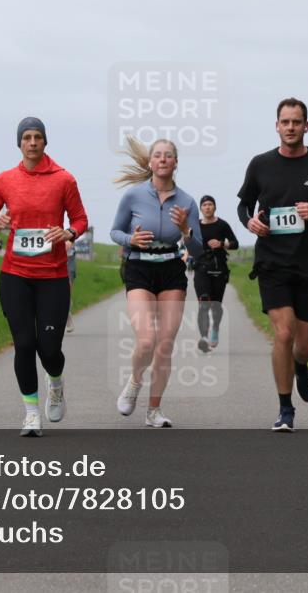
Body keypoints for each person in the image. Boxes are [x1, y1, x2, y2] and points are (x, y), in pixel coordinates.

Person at [236, 98, 308, 433]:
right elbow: (244, 204)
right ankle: (285, 409)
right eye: (285, 122)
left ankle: (302, 366)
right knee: (283, 333)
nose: (290, 127)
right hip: (272, 263)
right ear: (276, 126)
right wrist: (250, 223)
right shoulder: (260, 164)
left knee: (306, 345)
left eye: (296, 122)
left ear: (306, 126)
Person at [0, 117, 88, 437]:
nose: (33, 142)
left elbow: (79, 219)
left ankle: (56, 382)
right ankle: (31, 413)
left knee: (48, 349)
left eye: (38, 137)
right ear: (19, 143)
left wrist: (68, 232)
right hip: (15, 274)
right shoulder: (4, 181)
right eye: (27, 137)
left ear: (45, 142)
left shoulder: (64, 180)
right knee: (23, 344)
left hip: (52, 276)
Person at [111, 136, 203, 428]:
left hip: (171, 270)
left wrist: (186, 229)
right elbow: (115, 231)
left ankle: (154, 411)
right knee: (147, 340)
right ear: (150, 162)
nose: (163, 159)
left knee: (164, 344)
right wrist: (131, 239)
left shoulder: (187, 201)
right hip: (139, 267)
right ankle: (135, 382)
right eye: (158, 155)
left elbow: (199, 248)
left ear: (176, 163)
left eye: (168, 155)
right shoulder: (133, 196)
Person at [193, 195, 239, 352]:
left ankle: (215, 329)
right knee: (204, 303)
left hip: (219, 268)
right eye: (204, 205)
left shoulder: (222, 225)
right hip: (201, 268)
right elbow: (188, 242)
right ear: (200, 208)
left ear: (215, 207)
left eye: (210, 204)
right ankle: (204, 338)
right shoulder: (195, 226)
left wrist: (222, 244)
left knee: (216, 306)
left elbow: (235, 244)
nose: (207, 207)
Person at [65, 238, 77, 333]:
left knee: (66, 291)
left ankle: (67, 315)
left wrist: (71, 241)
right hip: (50, 257)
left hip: (69, 258)